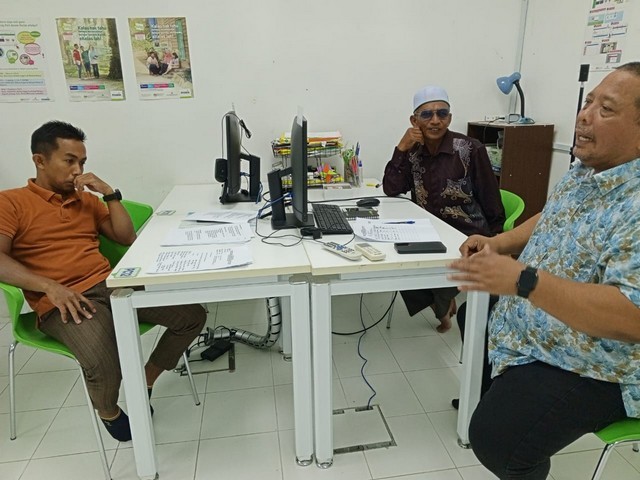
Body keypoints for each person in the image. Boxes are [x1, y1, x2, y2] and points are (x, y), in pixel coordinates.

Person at [448, 62, 640, 480]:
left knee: (496, 440)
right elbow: (552, 215)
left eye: (606, 109)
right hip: (544, 323)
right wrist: (499, 243)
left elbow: (632, 317)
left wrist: (524, 281)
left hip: (603, 362)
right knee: (472, 316)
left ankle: (510, 437)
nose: (584, 116)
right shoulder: (587, 169)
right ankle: (498, 401)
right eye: (588, 102)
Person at [0, 121, 207, 443]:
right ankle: (109, 411)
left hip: (110, 285)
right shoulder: (10, 202)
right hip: (62, 299)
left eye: (82, 162)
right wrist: (50, 287)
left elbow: (126, 237)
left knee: (191, 316)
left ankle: (146, 379)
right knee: (103, 360)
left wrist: (109, 194)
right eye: (69, 161)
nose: (78, 171)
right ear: (40, 160)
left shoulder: (85, 200)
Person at [383, 85, 505, 332]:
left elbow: (490, 196)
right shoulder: (413, 151)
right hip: (426, 230)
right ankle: (441, 305)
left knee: (440, 273)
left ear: (449, 117)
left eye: (442, 113)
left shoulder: (470, 149)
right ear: (414, 120)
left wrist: (496, 240)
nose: (435, 120)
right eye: (427, 114)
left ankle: (443, 304)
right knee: (397, 262)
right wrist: (401, 147)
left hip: (465, 233)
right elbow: (391, 188)